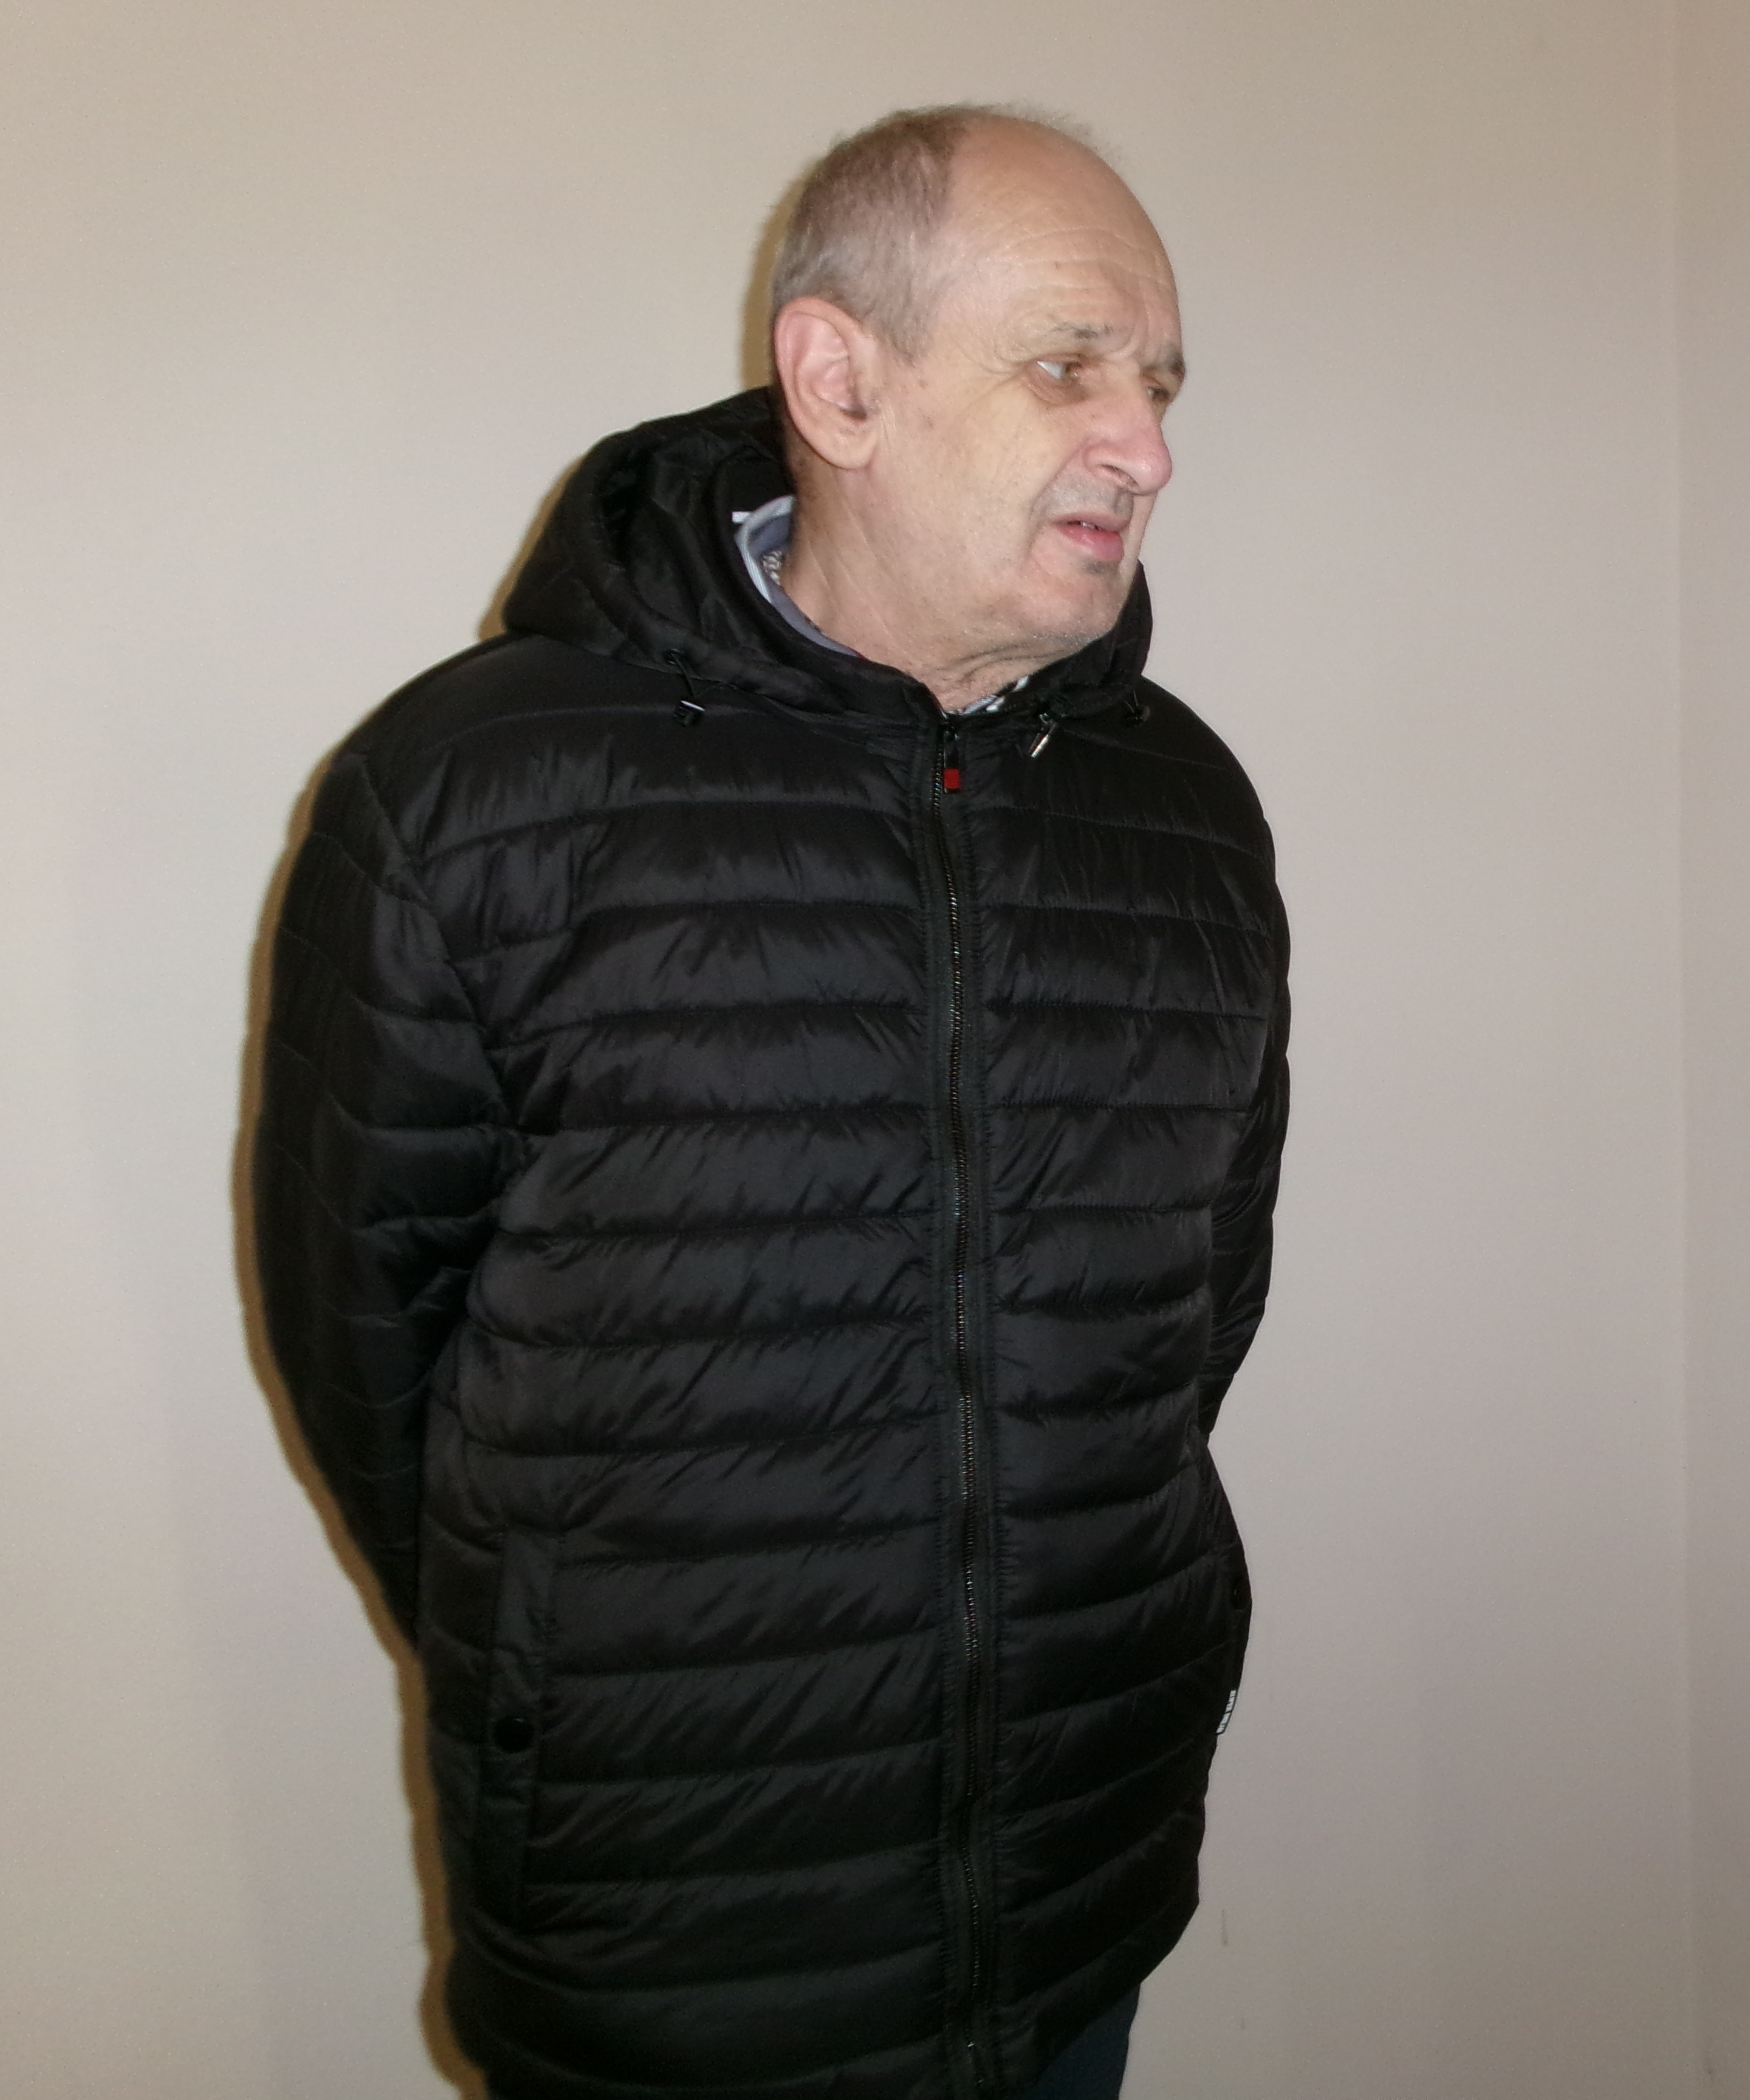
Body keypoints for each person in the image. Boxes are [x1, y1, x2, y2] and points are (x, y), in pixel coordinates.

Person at [253, 107, 1288, 2100]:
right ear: (840, 381)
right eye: (1067, 366)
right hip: (677, 1941)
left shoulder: (1184, 807)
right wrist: (567, 1677)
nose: (1146, 446)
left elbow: (1195, 1312)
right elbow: (371, 1353)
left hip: (1077, 1887)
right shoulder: (473, 795)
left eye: (1158, 385)